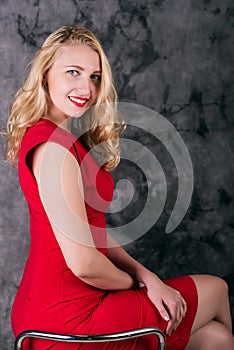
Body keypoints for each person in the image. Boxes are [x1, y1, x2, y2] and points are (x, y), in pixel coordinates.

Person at [6, 25, 233, 350]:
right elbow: (84, 264)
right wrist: (139, 287)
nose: (86, 87)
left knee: (216, 338)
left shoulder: (63, 140)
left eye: (95, 77)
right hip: (68, 316)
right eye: (74, 72)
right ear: (45, 76)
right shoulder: (54, 149)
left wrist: (147, 276)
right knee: (217, 289)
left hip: (67, 303)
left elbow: (92, 233)